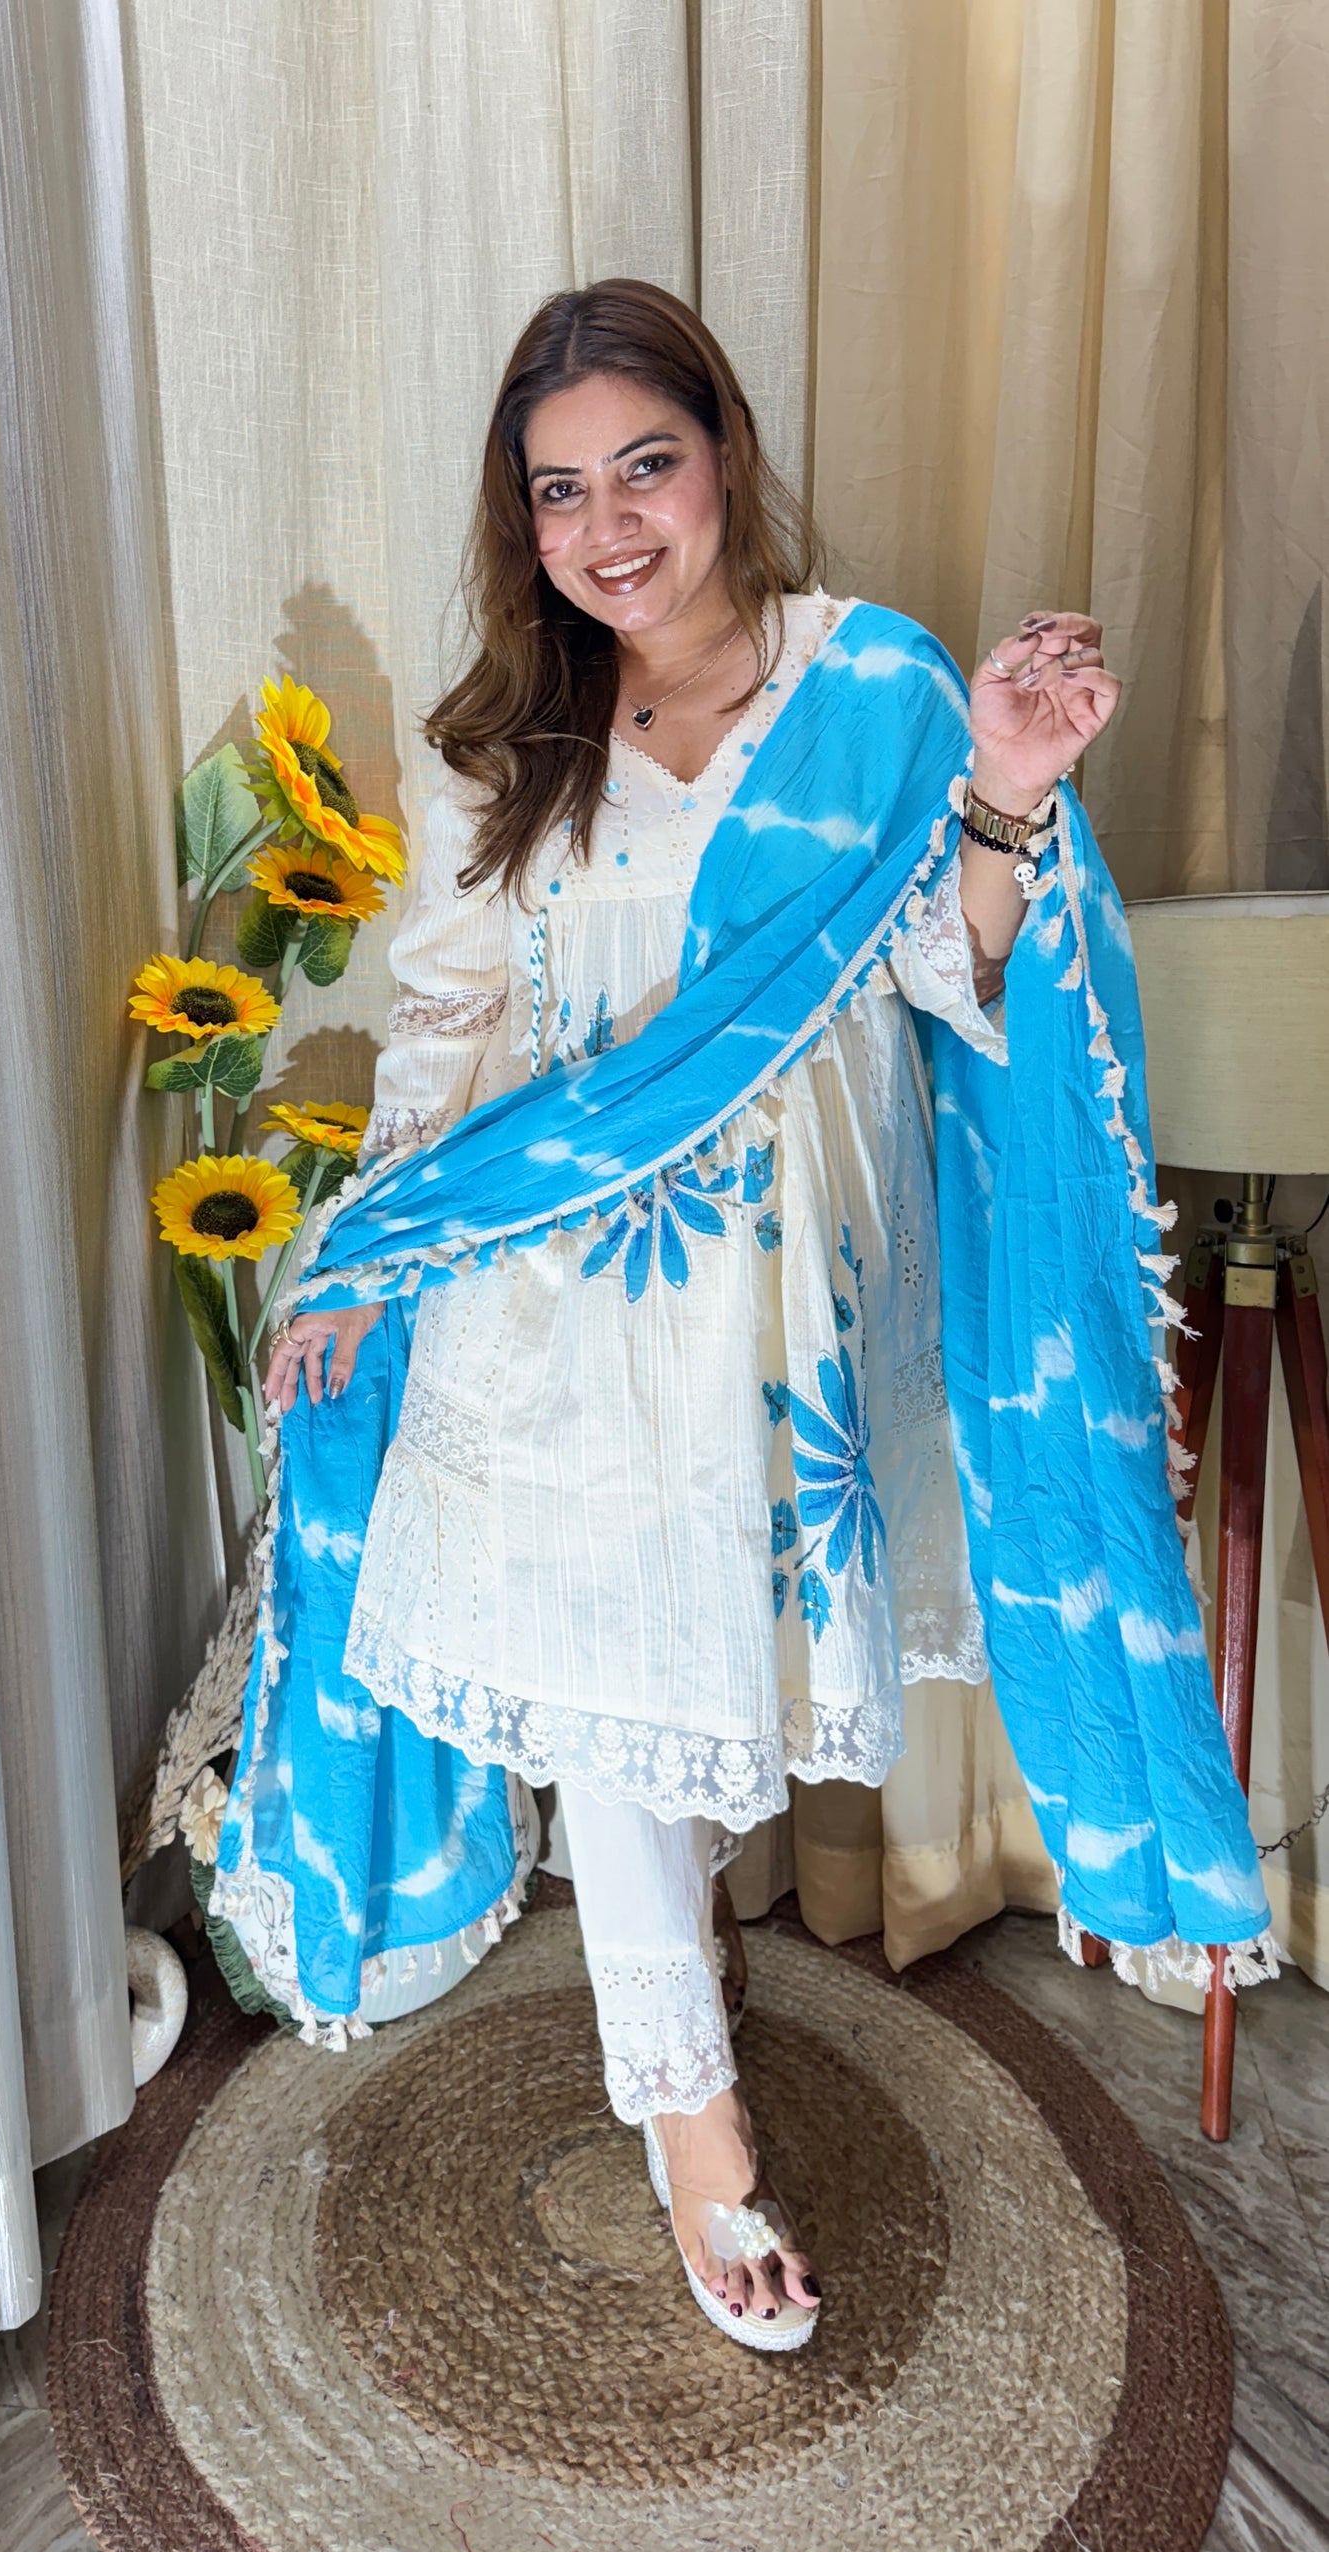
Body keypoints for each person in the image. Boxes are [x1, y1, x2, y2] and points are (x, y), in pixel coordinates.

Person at [242, 278, 1272, 2352]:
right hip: (566, 1301)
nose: (610, 526)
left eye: (646, 466)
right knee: (621, 1691)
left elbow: (955, 976)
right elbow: (449, 1043)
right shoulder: (507, 751)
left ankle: (688, 1983)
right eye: (560, 493)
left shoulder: (868, 690)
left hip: (796, 1316)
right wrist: (363, 1254)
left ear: (725, 457)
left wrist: (1006, 791)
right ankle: (694, 2130)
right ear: (522, 524)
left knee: (713, 1670)